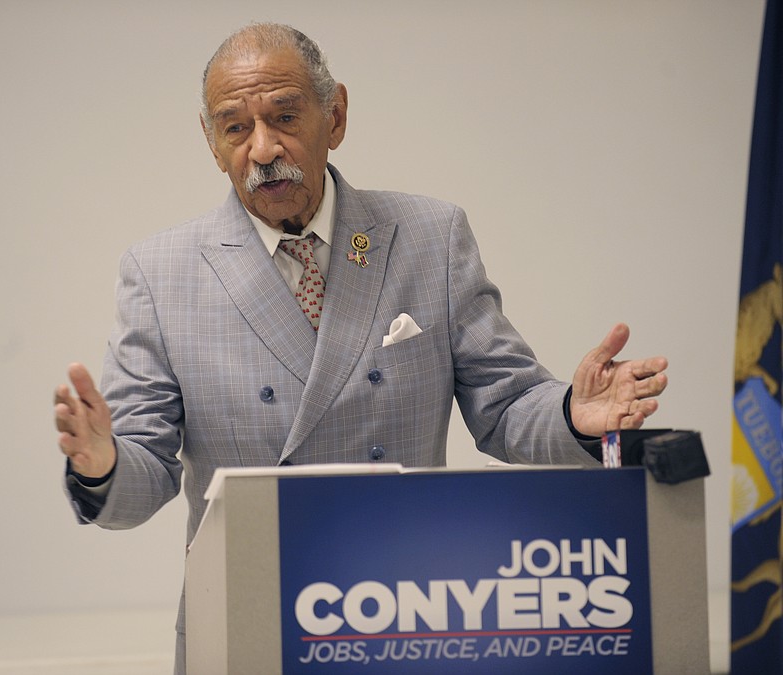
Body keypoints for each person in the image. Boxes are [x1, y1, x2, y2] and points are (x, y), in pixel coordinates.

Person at [54, 22, 668, 674]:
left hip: (404, 608)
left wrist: (574, 412)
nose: (263, 148)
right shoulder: (161, 272)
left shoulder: (429, 237)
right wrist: (102, 463)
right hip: (247, 618)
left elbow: (508, 406)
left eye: (285, 116)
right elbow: (144, 473)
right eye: (235, 127)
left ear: (336, 114)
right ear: (210, 141)